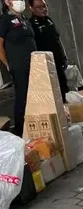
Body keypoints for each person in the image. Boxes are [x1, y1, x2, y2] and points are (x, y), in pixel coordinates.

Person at [0, 0, 36, 137]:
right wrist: (7, 64)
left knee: (34, 95)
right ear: (7, 2)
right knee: (23, 96)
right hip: (19, 65)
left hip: (33, 64)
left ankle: (34, 125)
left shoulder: (24, 19)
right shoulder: (4, 20)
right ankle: (21, 129)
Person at [28, 0, 67, 102]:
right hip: (45, 64)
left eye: (45, 6)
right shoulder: (31, 24)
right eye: (39, 7)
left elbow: (57, 39)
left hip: (57, 61)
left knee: (63, 88)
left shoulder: (49, 20)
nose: (43, 9)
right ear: (31, 8)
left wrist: (63, 56)